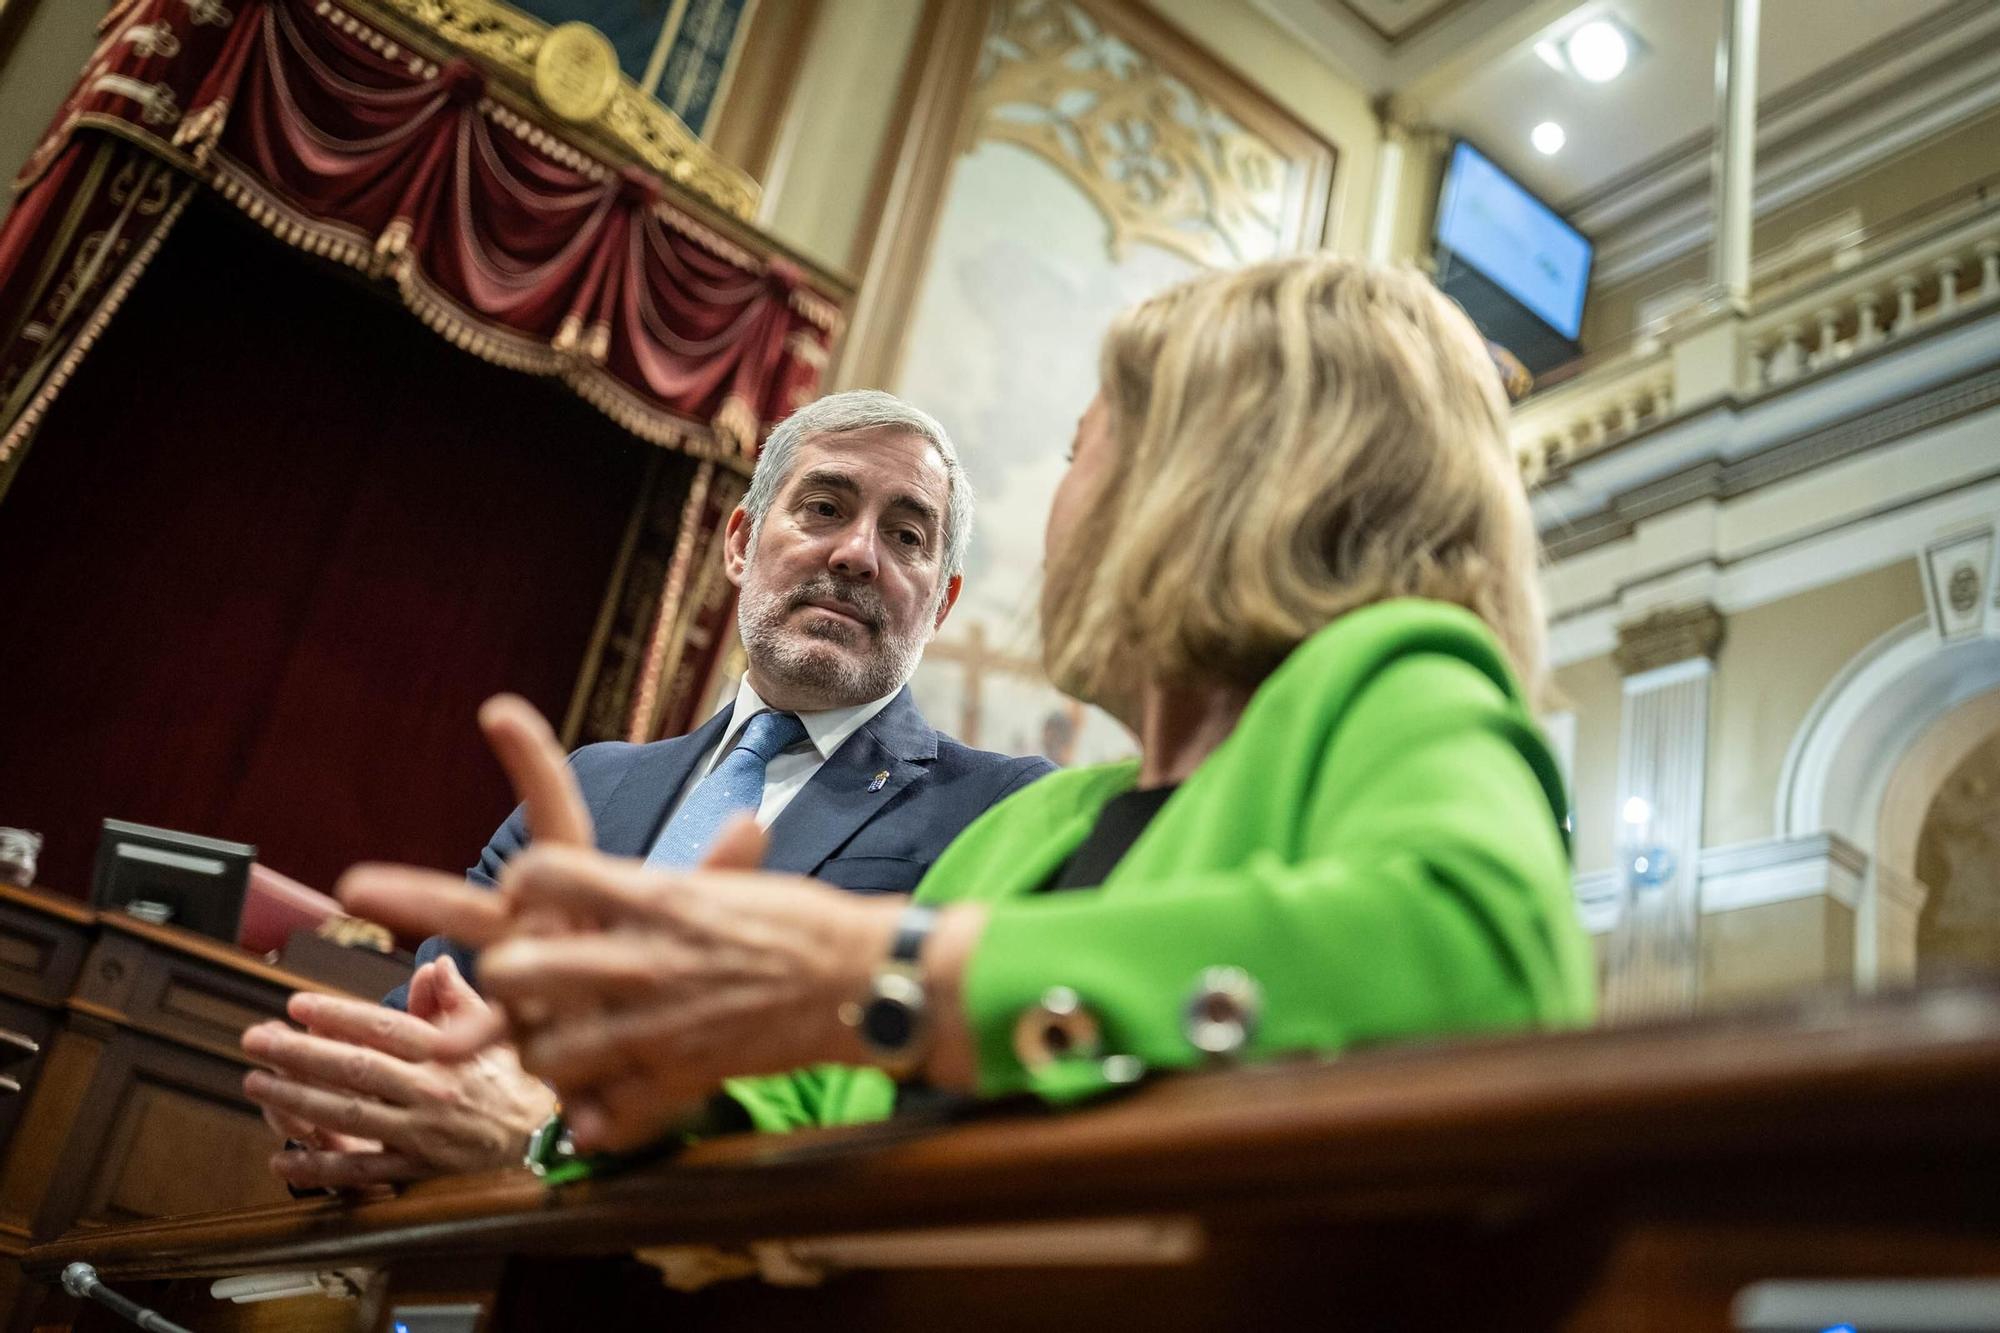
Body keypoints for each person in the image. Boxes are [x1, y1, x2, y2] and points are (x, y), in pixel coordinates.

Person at [339, 255, 1596, 1153]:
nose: (1056, 507)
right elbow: (809, 1104)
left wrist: (880, 970)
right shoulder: (1034, 830)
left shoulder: (1394, 677)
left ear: (1217, 482)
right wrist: (636, 1096)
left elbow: (1472, 968)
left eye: (1079, 448)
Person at [240, 390, 1055, 1186]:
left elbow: (929, 1117)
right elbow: (435, 1022)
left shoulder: (1002, 811)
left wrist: (541, 1141)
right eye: (823, 507)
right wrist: (359, 1115)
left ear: (941, 602)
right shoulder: (590, 785)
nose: (855, 554)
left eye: (907, 535)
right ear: (739, 543)